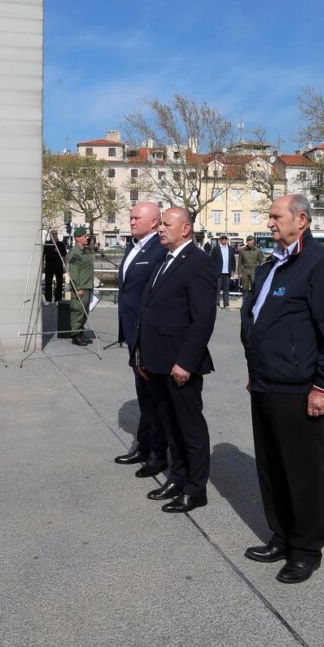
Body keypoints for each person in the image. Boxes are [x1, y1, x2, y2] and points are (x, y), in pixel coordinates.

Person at [240, 194, 324, 585]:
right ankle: (282, 535)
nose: (270, 222)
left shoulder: (319, 263)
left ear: (301, 219)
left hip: (299, 386)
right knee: (271, 466)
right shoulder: (273, 261)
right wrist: (254, 368)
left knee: (302, 470)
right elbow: (258, 319)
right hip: (266, 381)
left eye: (276, 216)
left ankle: (306, 549)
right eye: (270, 216)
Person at [133, 207, 217, 513]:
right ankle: (177, 477)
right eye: (161, 224)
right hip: (156, 361)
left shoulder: (198, 263)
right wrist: (141, 355)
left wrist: (186, 362)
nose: (161, 229)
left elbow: (203, 319)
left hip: (180, 362)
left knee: (189, 427)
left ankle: (196, 488)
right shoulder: (162, 261)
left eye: (167, 224)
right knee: (169, 424)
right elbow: (149, 310)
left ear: (185, 229)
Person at [113, 202, 169, 476]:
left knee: (154, 396)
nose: (132, 221)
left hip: (148, 334)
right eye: (131, 216)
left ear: (154, 221)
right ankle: (144, 446)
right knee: (144, 394)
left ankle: (158, 453)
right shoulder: (133, 246)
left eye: (137, 217)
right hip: (133, 333)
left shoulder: (159, 248)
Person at [67, 228, 95, 345]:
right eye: (84, 236)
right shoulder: (75, 253)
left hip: (87, 286)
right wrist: (78, 288)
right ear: (77, 238)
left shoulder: (84, 251)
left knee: (84, 312)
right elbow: (73, 272)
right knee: (78, 312)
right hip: (80, 288)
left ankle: (80, 333)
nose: (87, 237)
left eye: (87, 235)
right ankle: (75, 336)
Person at [208, 234, 236, 308]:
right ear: (220, 240)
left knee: (226, 289)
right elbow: (211, 260)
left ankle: (226, 304)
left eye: (225, 239)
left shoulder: (230, 249)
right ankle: (217, 304)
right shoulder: (216, 249)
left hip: (227, 272)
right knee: (217, 289)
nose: (224, 240)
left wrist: (233, 269)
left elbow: (233, 260)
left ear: (227, 240)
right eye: (222, 239)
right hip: (218, 273)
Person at [42, 229, 66, 302]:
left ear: (57, 235)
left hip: (58, 266)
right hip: (49, 266)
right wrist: (42, 266)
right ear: (50, 235)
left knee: (59, 283)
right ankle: (48, 299)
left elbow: (65, 256)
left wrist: (65, 266)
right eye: (52, 234)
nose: (54, 235)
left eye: (55, 234)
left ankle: (58, 299)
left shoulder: (61, 244)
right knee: (48, 283)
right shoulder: (47, 244)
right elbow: (43, 256)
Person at [238, 236, 263, 302]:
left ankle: (253, 303)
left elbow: (261, 263)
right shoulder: (242, 250)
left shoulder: (258, 250)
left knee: (254, 287)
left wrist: (261, 273)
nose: (249, 242)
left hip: (254, 271)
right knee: (245, 288)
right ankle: (245, 304)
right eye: (248, 241)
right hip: (245, 271)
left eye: (250, 241)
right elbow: (240, 263)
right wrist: (239, 273)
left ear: (253, 241)